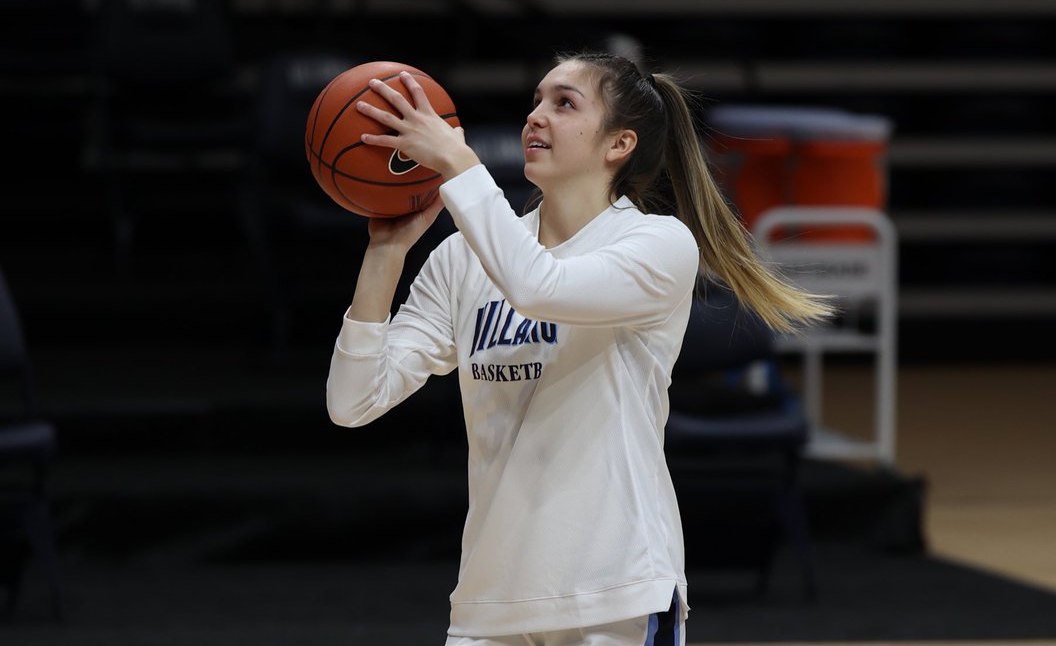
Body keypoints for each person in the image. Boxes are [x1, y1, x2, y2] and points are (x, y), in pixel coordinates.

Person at [325, 52, 830, 645]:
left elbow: (540, 287)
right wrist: (384, 254)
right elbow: (352, 400)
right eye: (536, 100)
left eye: (564, 103)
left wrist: (460, 164)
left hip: (613, 591)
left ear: (619, 145)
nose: (537, 117)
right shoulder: (465, 258)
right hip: (492, 601)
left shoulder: (657, 244)